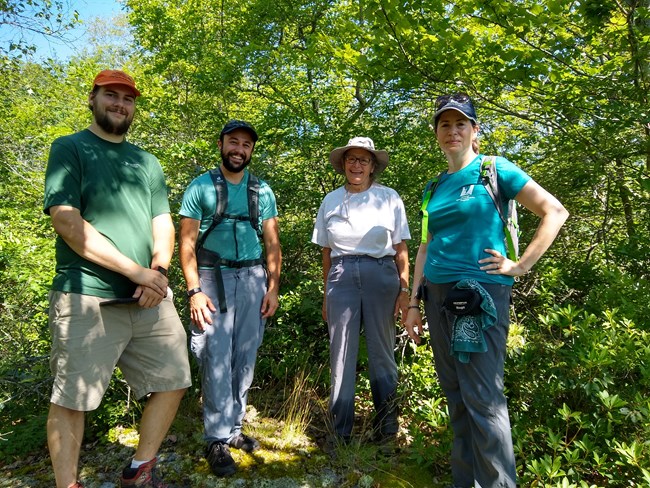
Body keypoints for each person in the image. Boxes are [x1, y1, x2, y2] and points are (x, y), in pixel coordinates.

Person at [404, 93, 569, 487]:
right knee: (457, 398)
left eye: (461, 123)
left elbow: (554, 211)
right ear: (437, 134)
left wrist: (521, 265)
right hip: (437, 298)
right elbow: (426, 247)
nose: (452, 131)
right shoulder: (434, 187)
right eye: (444, 124)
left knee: (483, 399)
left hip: (479, 299)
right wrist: (413, 302)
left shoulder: (494, 170)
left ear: (475, 130)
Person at [43, 70, 192, 488]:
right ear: (93, 99)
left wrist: (158, 274)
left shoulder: (146, 162)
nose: (120, 105)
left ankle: (139, 470)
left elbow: (161, 222)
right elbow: (67, 221)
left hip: (149, 297)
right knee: (72, 399)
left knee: (174, 379)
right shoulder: (70, 148)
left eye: (127, 99)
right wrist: (135, 271)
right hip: (86, 295)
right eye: (111, 95)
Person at [178, 120, 281, 477]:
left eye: (246, 145)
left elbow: (272, 242)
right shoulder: (201, 187)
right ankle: (215, 439)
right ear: (221, 144)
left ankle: (235, 429)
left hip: (253, 278)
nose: (239, 149)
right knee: (215, 355)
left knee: (245, 356)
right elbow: (187, 243)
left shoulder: (261, 191)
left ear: (251, 151)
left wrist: (273, 287)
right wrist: (194, 290)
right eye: (233, 142)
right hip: (211, 278)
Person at [312, 137, 411, 445]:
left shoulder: (389, 197)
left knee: (382, 352)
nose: (356, 165)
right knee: (341, 352)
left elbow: (401, 247)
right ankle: (340, 430)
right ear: (344, 165)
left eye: (363, 160)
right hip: (341, 277)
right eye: (351, 160)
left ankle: (387, 427)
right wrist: (327, 293)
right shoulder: (330, 200)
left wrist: (405, 289)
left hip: (381, 274)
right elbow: (326, 252)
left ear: (372, 167)